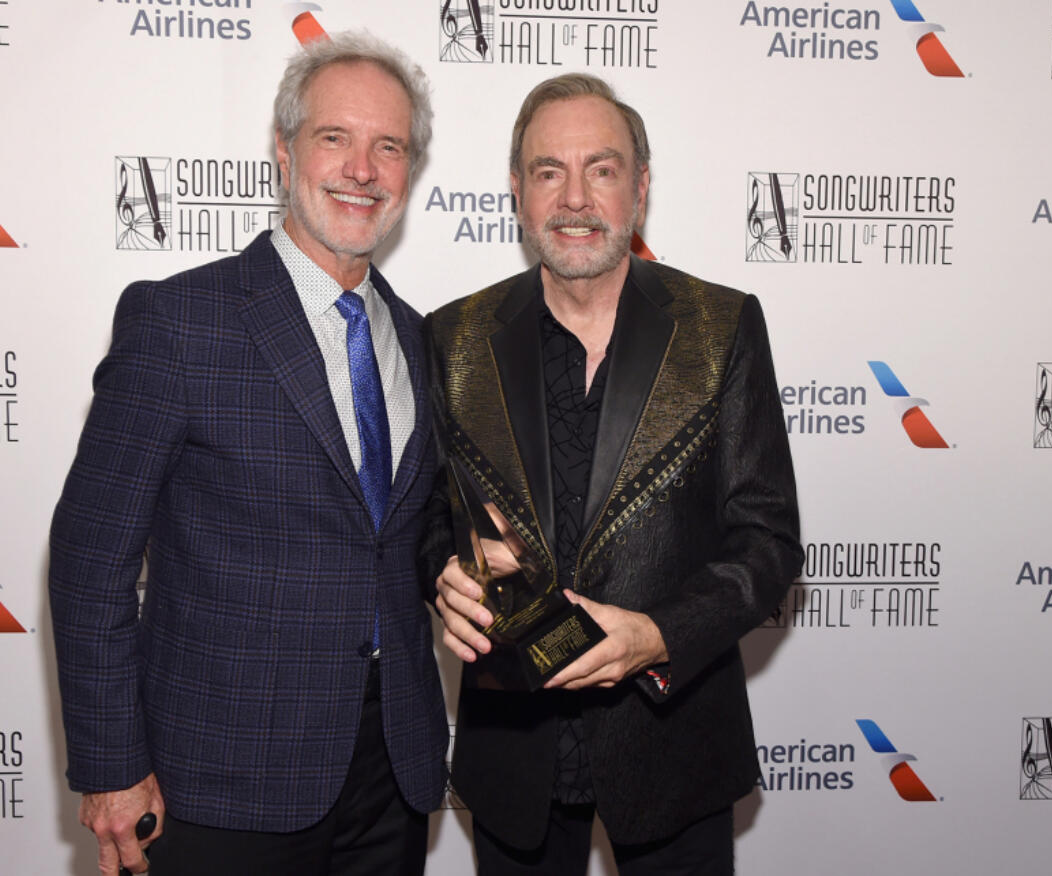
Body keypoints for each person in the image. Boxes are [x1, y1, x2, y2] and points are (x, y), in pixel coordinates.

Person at [49, 32, 447, 876]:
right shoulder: (179, 322)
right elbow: (90, 561)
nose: (362, 169)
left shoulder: (419, 340)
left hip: (392, 772)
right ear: (283, 150)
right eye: (334, 138)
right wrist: (113, 768)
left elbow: (405, 543)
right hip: (221, 779)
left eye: (389, 147)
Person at [424, 73, 803, 875]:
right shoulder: (451, 339)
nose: (574, 198)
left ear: (640, 187)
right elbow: (428, 518)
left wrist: (660, 634)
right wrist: (446, 573)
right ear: (518, 192)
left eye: (601, 168)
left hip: (674, 743)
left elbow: (768, 542)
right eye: (548, 171)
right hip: (513, 752)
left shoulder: (721, 325)